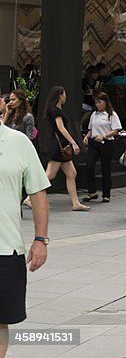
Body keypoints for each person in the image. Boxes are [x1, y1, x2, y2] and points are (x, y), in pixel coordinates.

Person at [0, 94, 50, 358]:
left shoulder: (19, 143)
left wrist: (40, 240)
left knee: (1, 321)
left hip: (6, 251)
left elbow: (38, 193)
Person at [40, 86, 90, 212]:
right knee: (50, 174)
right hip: (59, 146)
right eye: (64, 94)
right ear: (60, 96)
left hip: (61, 147)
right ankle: (30, 197)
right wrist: (73, 142)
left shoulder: (55, 110)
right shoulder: (56, 111)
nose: (66, 96)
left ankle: (75, 203)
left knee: (71, 173)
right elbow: (61, 128)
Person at [82, 91, 122, 203]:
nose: (98, 105)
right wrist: (87, 136)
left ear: (105, 102)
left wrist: (104, 136)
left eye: (100, 102)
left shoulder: (111, 114)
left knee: (106, 168)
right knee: (89, 165)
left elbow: (116, 130)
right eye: (96, 102)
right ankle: (92, 191)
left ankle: (106, 193)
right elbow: (91, 129)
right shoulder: (94, 114)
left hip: (106, 142)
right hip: (94, 142)